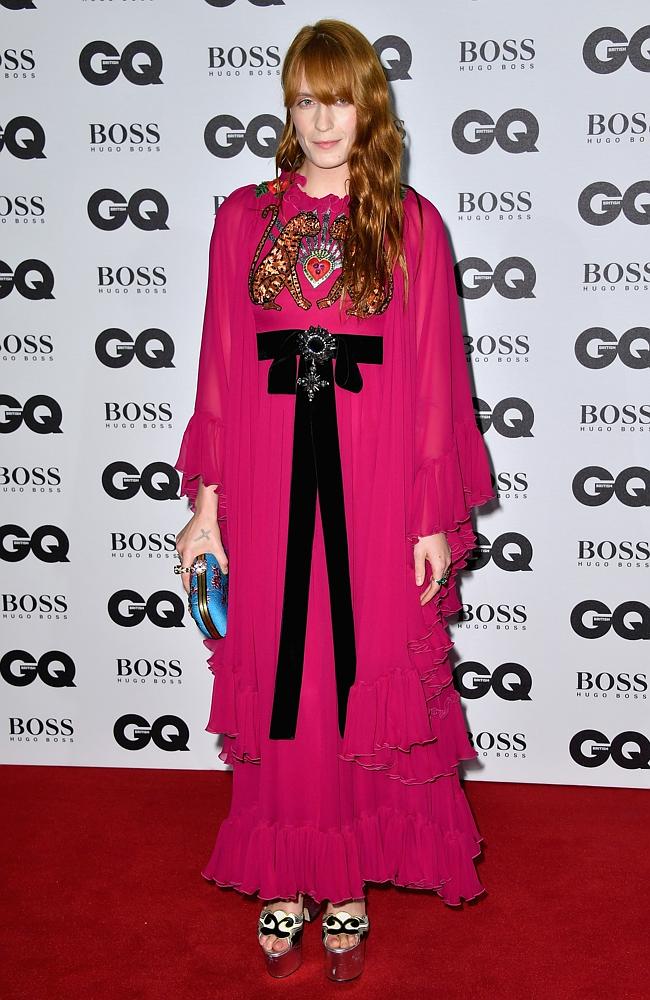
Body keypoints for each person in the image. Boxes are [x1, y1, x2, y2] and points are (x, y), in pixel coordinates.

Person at [173, 17, 495, 982]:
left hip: (373, 482)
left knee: (357, 678)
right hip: (270, 485)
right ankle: (284, 879)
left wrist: (435, 517)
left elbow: (439, 379)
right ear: (288, 107)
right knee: (285, 685)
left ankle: (344, 883)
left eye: (340, 97)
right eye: (306, 100)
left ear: (370, 105)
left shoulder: (412, 222)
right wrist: (208, 507)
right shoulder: (243, 217)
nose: (323, 119)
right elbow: (222, 370)